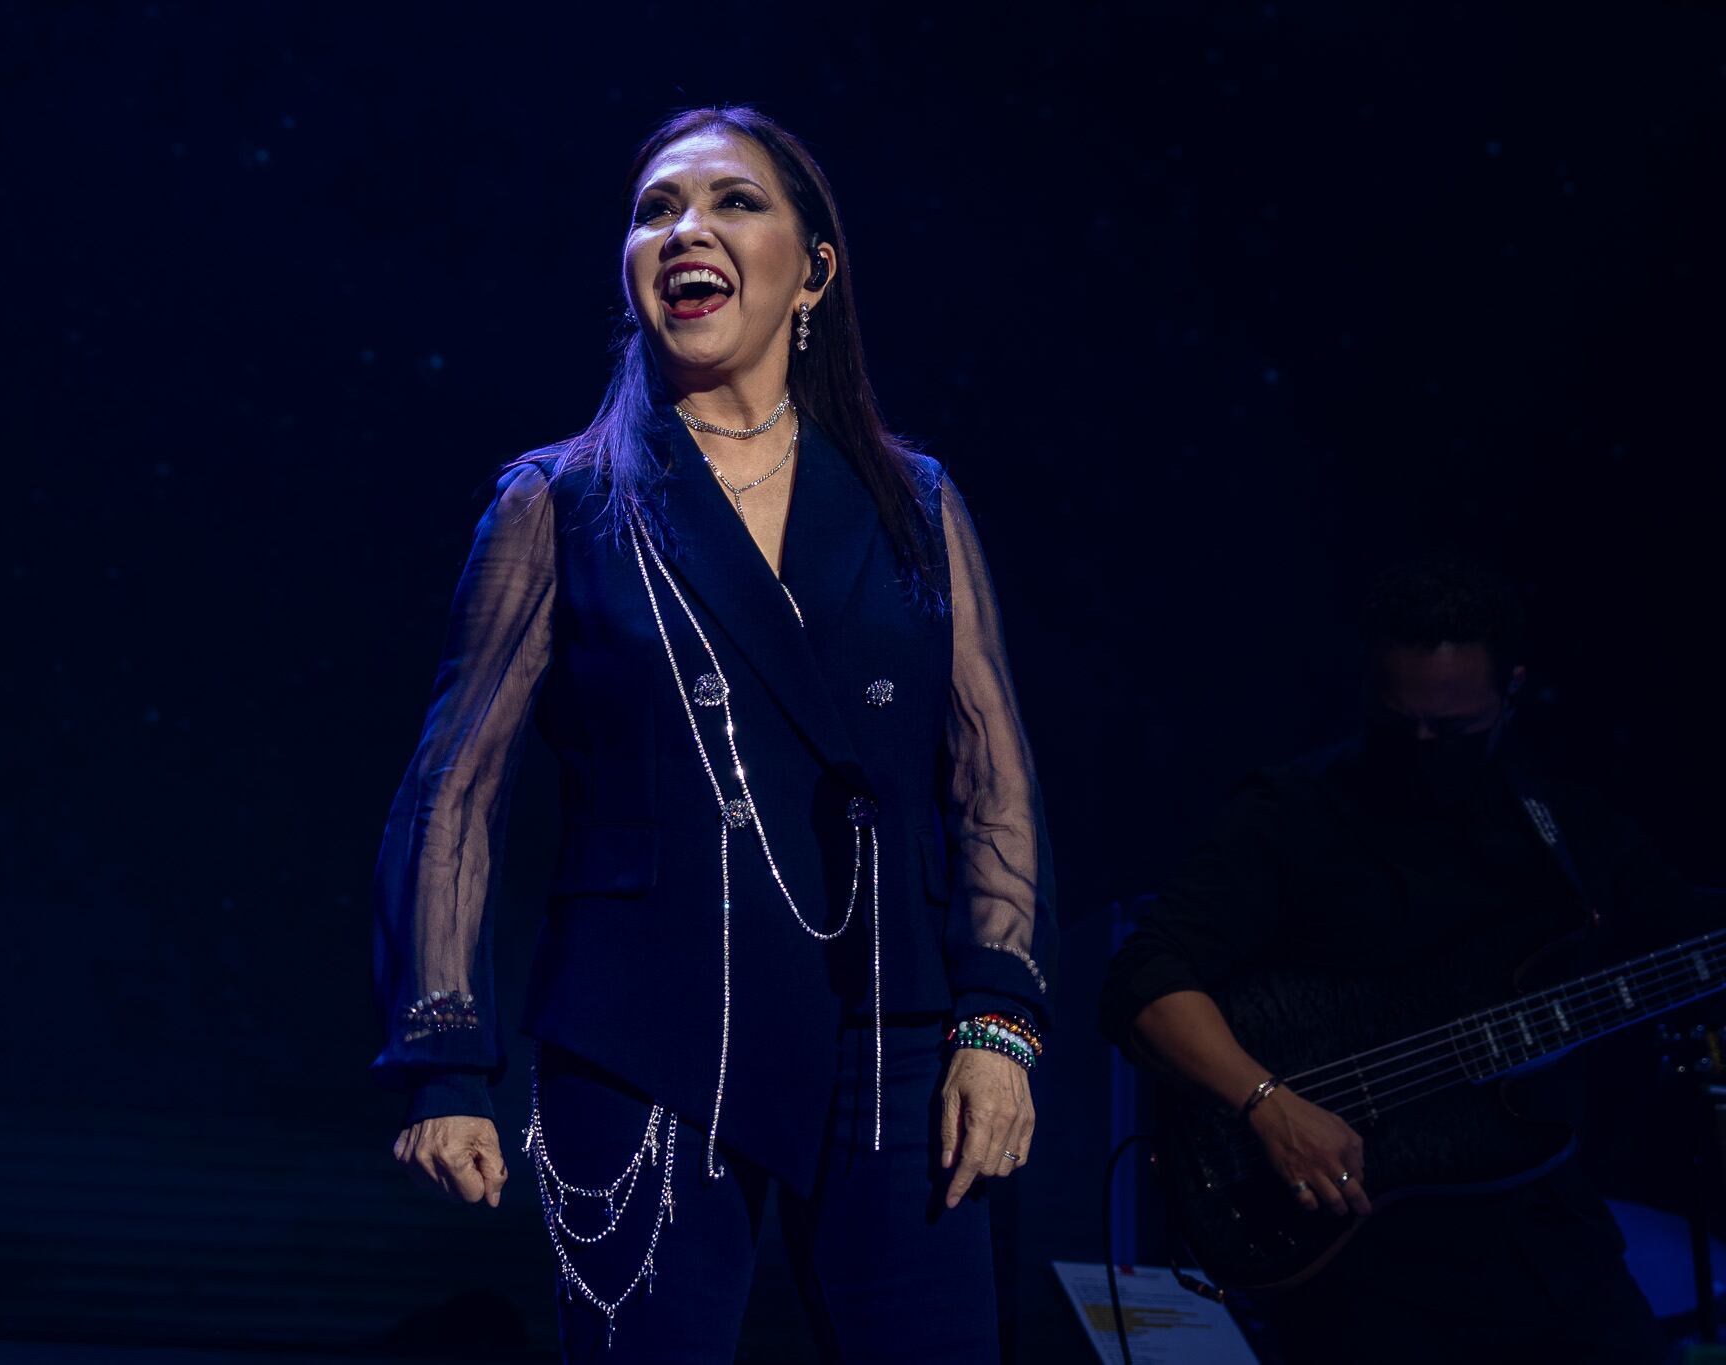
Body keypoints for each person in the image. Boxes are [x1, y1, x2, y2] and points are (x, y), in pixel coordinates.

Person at [372, 106, 1055, 1363]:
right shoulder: (561, 500)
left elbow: (989, 775)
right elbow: (451, 792)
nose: (686, 229)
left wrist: (996, 1022)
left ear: (815, 269)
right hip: (641, 1038)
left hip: (892, 1040)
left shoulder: (912, 502)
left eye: (734, 201)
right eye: (655, 210)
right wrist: (443, 1060)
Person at [1099, 556, 1692, 1364]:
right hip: (1365, 1262)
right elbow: (1145, 980)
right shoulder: (1291, 812)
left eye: (1452, 730)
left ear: (1511, 691)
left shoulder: (1558, 819)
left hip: (1545, 1236)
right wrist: (1268, 1103)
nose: (1421, 747)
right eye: (1396, 721)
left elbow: (1681, 925)